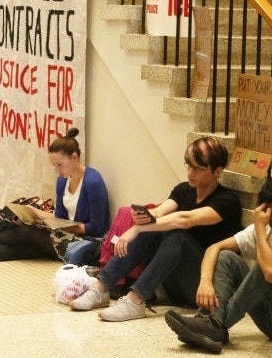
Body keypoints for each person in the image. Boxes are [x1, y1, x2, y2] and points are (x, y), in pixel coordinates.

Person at [69, 136, 241, 322]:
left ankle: (135, 300)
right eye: (189, 165)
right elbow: (159, 211)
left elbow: (186, 220)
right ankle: (101, 287)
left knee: (177, 236)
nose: (191, 173)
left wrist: (135, 229)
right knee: (154, 229)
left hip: (205, 288)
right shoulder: (184, 190)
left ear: (217, 171)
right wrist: (143, 218)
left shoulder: (228, 201)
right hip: (174, 282)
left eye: (199, 168)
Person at [165, 176, 272, 353]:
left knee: (266, 267)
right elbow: (214, 248)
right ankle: (210, 322)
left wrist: (260, 230)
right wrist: (205, 282)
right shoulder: (266, 228)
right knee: (226, 257)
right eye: (269, 212)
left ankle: (214, 326)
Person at [0, 127, 109, 265]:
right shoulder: (62, 181)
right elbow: (61, 217)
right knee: (22, 247)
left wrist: (66, 226)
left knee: (25, 233)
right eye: (55, 166)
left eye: (60, 165)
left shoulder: (93, 182)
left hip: (85, 244)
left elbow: (97, 229)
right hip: (65, 235)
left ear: (75, 157)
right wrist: (40, 217)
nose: (57, 171)